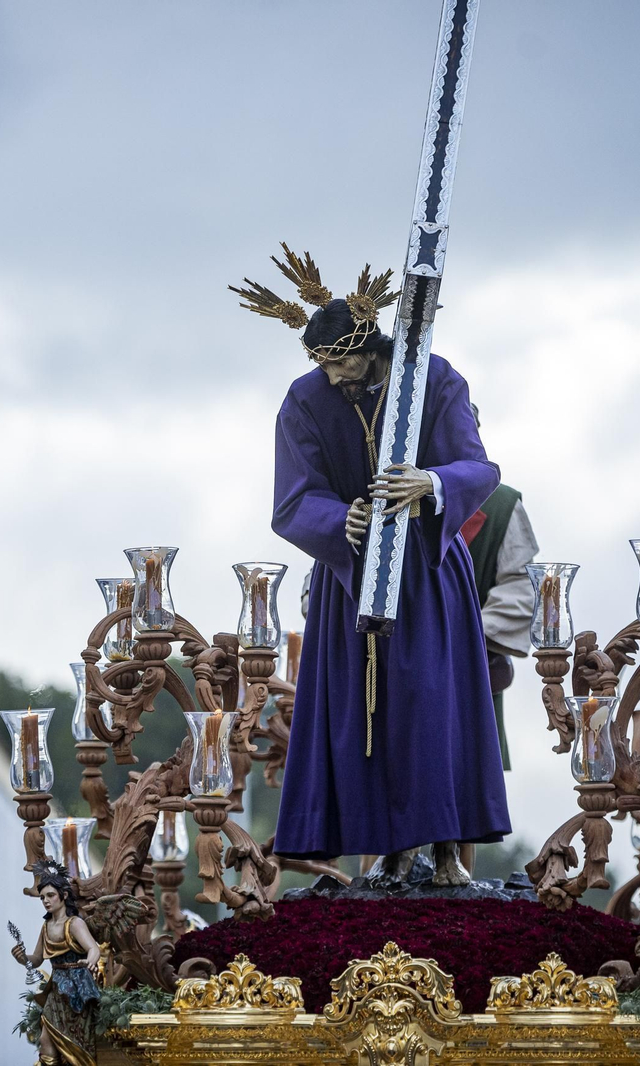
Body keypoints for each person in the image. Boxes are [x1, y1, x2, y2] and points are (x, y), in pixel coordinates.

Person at [232, 245, 511, 887]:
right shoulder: (304, 400)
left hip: (431, 577)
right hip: (351, 582)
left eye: (343, 361)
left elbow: (480, 466)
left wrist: (430, 484)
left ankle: (446, 853)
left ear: (374, 346)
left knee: (433, 704)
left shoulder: (433, 379)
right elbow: (294, 496)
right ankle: (389, 849)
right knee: (369, 714)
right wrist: (339, 520)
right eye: (322, 363)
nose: (334, 377)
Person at [458, 412, 539, 770]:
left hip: (465, 685)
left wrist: (459, 636)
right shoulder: (374, 497)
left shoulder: (500, 504)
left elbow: (522, 589)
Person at [12, 860, 104, 1066]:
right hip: (56, 990)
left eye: (50, 895)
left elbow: (94, 949)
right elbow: (36, 960)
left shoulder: (75, 924)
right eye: (43, 897)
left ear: (63, 895)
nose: (45, 900)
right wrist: (23, 958)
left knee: (74, 1043)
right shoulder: (46, 927)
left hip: (77, 989)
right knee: (46, 1039)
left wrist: (89, 962)